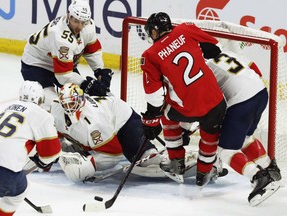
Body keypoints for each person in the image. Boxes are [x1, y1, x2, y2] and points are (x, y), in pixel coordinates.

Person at [140, 12, 227, 187]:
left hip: (189, 109)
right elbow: (214, 48)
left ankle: (176, 161)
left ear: (155, 32)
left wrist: (151, 122)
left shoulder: (150, 55)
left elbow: (155, 96)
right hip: (217, 101)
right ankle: (204, 172)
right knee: (210, 131)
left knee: (166, 114)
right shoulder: (185, 29)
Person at [50, 83, 197, 182]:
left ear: (81, 100)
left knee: (146, 159)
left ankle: (182, 160)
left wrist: (92, 164)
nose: (69, 108)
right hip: (107, 123)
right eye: (66, 104)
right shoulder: (56, 109)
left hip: (124, 122)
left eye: (72, 103)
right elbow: (55, 130)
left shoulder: (93, 121)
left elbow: (114, 155)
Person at [206, 50, 281, 206]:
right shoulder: (223, 51)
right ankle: (270, 168)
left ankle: (259, 177)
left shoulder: (201, 65)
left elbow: (211, 100)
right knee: (245, 137)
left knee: (225, 150)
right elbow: (254, 67)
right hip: (260, 92)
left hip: (242, 101)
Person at [21, 0, 111, 111]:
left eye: (83, 22)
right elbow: (63, 75)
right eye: (76, 21)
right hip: (36, 65)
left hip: (62, 64)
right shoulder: (60, 37)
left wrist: (99, 70)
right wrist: (85, 84)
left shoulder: (89, 26)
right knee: (54, 106)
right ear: (68, 15)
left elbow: (92, 50)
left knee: (81, 101)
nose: (79, 26)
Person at [0, 81, 61, 216]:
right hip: (5, 172)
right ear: (40, 99)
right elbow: (51, 154)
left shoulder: (5, 108)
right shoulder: (41, 114)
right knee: (16, 194)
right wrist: (41, 160)